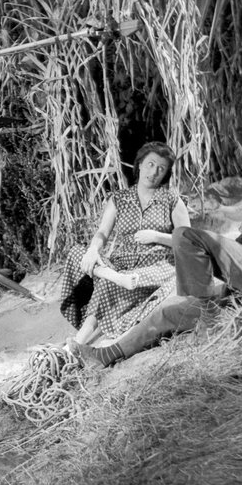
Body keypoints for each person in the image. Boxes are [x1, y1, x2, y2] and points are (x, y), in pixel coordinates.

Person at [72, 141, 242, 368]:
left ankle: (209, 316)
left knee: (185, 236)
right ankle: (107, 354)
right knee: (167, 313)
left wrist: (212, 258)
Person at [60, 142, 190, 349]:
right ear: (139, 165)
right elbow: (102, 232)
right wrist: (94, 249)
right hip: (124, 263)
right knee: (78, 252)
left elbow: (187, 239)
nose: (154, 172)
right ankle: (113, 275)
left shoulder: (171, 199)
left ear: (165, 173)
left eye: (161, 168)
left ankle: (77, 343)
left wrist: (157, 236)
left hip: (157, 264)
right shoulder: (119, 199)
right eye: (150, 164)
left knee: (113, 282)